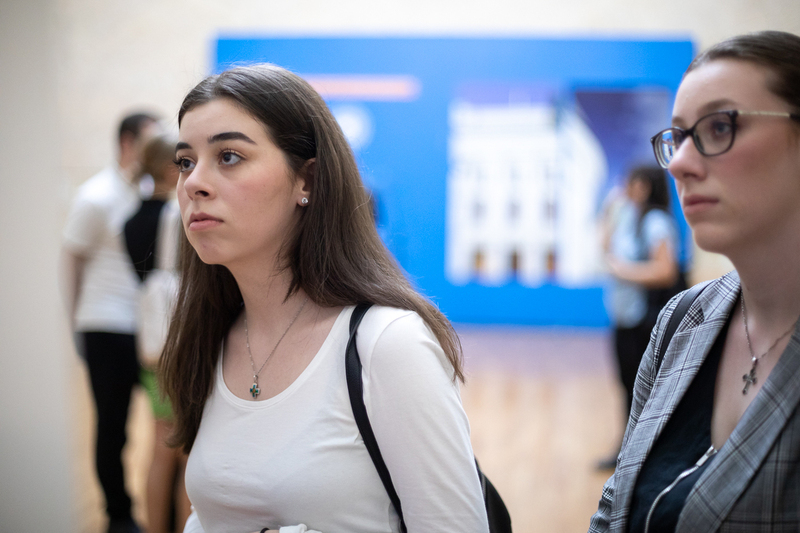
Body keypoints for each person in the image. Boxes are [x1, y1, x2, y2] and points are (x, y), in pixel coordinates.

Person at [160, 64, 489, 533]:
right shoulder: (209, 335)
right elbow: (211, 516)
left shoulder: (388, 345)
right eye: (185, 162)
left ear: (307, 181)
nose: (194, 183)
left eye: (229, 156)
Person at [589, 30, 800, 532]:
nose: (680, 163)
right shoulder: (682, 321)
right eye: (677, 137)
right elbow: (613, 511)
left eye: (720, 126)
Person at [61, 111, 160, 533]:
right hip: (103, 326)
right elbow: (71, 261)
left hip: (144, 328)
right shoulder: (96, 195)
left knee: (164, 423)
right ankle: (117, 516)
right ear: (127, 143)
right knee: (113, 426)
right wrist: (74, 327)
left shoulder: (144, 194)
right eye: (151, 141)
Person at [123, 134, 191, 533]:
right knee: (185, 454)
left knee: (157, 448)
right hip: (180, 345)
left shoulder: (130, 221)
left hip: (150, 345)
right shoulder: (177, 217)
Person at [597, 166, 681, 470]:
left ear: (644, 186)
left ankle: (641, 454)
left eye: (631, 182)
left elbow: (666, 270)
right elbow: (605, 249)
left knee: (642, 387)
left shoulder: (656, 222)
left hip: (643, 320)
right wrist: (609, 210)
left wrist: (624, 272)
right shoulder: (629, 217)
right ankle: (628, 450)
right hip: (624, 316)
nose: (625, 187)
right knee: (626, 385)